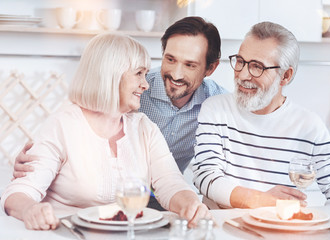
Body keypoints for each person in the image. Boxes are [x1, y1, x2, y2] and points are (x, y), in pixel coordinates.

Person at [12, 16, 227, 211]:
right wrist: (34, 181)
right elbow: (23, 190)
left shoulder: (215, 106)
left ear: (210, 68)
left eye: (190, 65)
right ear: (111, 76)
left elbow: (170, 182)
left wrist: (190, 203)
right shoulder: (65, 123)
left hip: (147, 213)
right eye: (170, 59)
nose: (146, 84)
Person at [192, 21, 330, 209]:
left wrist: (319, 228)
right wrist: (259, 200)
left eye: (257, 66)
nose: (243, 74)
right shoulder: (216, 109)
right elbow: (205, 175)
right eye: (240, 61)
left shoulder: (309, 126)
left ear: (285, 76)